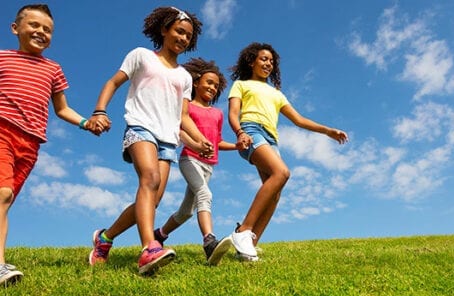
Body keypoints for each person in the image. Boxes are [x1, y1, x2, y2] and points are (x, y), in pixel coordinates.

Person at [0, 4, 101, 287]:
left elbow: (62, 109)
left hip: (31, 142)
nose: (41, 32)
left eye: (47, 29)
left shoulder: (53, 69)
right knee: (1, 193)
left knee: (0, 201)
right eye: (34, 25)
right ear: (16, 28)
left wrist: (87, 123)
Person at [87, 7, 213, 275]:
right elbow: (113, 82)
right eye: (179, 31)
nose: (183, 38)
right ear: (164, 30)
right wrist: (100, 110)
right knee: (150, 179)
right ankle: (149, 248)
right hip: (140, 128)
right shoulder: (141, 56)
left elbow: (183, 116)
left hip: (168, 139)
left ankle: (105, 238)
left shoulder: (184, 77)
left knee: (151, 200)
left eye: (188, 36)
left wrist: (199, 139)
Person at [227, 42, 348, 261]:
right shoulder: (241, 85)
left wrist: (327, 130)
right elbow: (233, 113)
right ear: (251, 61)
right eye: (264, 59)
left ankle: (248, 247)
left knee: (274, 193)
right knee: (281, 173)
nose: (268, 64)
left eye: (271, 61)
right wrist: (239, 132)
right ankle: (243, 230)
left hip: (271, 139)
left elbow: (299, 119)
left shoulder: (276, 94)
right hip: (251, 131)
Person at [154, 58, 245, 266]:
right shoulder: (187, 108)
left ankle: (159, 235)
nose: (212, 87)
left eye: (215, 85)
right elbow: (179, 130)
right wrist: (194, 144)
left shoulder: (217, 113)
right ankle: (209, 242)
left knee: (186, 212)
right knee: (205, 194)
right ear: (196, 83)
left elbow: (217, 141)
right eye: (208, 82)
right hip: (189, 159)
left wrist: (236, 146)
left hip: (208, 166)